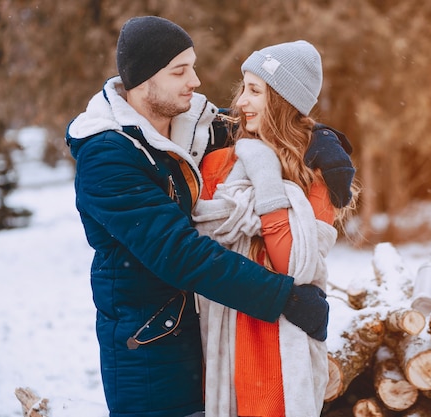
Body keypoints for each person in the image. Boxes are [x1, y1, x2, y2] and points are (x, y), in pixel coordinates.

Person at [64, 16, 355, 417]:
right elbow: (178, 253)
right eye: (180, 70)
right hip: (151, 351)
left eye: (194, 66)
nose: (196, 81)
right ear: (142, 80)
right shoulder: (107, 157)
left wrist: (322, 139)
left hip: (208, 339)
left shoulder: (195, 126)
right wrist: (282, 297)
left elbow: (272, 120)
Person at [193, 40, 357, 417]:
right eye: (243, 88)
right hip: (222, 328)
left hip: (284, 334)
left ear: (283, 102)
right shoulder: (218, 162)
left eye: (255, 91)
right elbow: (199, 239)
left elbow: (293, 266)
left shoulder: (316, 174)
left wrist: (266, 176)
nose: (241, 102)